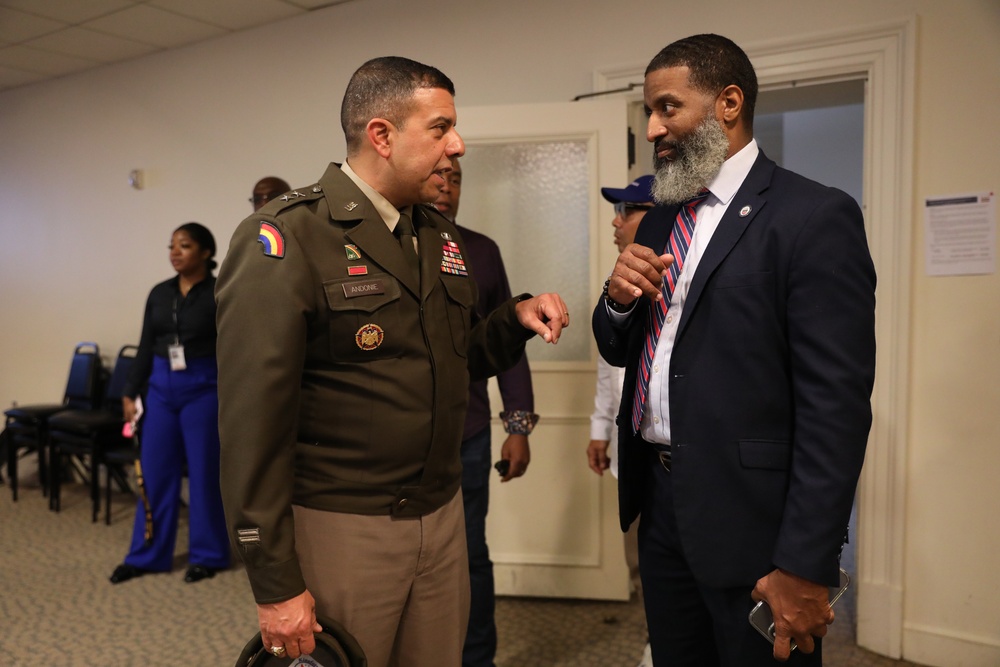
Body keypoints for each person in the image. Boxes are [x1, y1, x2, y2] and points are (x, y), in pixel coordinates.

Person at [216, 56, 568, 667]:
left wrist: (511, 323)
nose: (457, 145)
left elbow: (452, 362)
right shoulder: (287, 238)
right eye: (440, 128)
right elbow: (251, 429)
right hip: (344, 525)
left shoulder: (438, 235)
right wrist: (274, 581)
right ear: (382, 135)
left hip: (442, 514)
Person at [591, 34, 876, 667]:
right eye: (648, 111)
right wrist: (617, 301)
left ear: (727, 102)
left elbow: (837, 410)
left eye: (668, 108)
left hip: (756, 523)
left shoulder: (812, 216)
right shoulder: (664, 213)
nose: (653, 128)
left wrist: (806, 562)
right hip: (662, 509)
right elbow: (624, 347)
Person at [434, 157, 536, 667]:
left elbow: (508, 344)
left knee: (471, 556)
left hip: (467, 436)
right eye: (437, 175)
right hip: (397, 444)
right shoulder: (378, 249)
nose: (446, 186)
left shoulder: (480, 251)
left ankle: (477, 660)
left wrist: (517, 426)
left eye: (455, 179)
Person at [110, 222, 230, 585]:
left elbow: (231, 347)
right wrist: (131, 392)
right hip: (161, 390)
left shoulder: (220, 292)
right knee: (154, 474)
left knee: (204, 475)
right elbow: (146, 344)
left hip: (204, 390)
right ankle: (146, 555)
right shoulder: (159, 293)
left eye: (185, 246)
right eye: (172, 246)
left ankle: (208, 555)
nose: (175, 252)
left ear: (206, 253)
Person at [587, 174, 655, 667]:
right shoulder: (620, 283)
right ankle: (659, 638)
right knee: (642, 562)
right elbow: (607, 367)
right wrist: (598, 429)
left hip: (680, 459)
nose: (616, 220)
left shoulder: (678, 276)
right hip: (630, 452)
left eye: (627, 210)